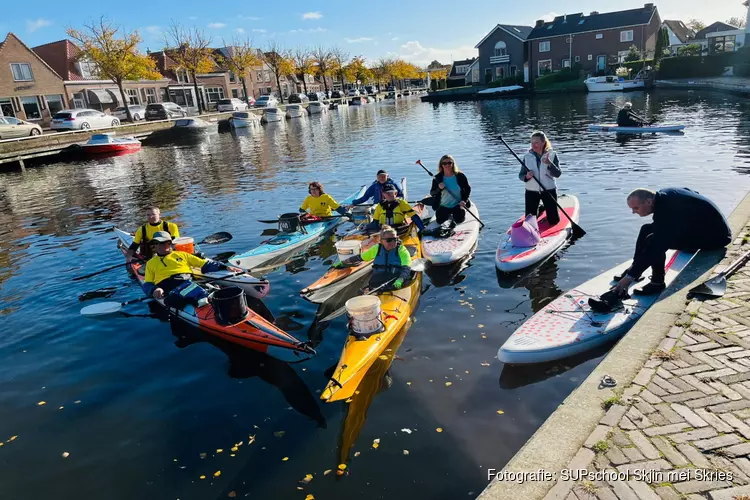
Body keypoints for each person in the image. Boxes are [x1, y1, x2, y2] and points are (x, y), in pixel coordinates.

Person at [589, 187, 732, 312]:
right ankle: (635, 267)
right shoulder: (666, 193)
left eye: (636, 208)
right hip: (701, 228)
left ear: (649, 202)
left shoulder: (667, 211)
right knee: (646, 229)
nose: (633, 212)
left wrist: (628, 279)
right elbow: (692, 192)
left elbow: (658, 246)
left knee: (654, 241)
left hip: (716, 238)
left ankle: (657, 282)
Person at [141, 231, 243, 308]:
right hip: (168, 286)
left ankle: (201, 295)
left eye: (166, 242)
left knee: (193, 288)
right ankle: (202, 294)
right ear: (155, 245)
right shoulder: (151, 263)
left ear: (170, 243)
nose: (162, 245)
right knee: (180, 297)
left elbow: (205, 264)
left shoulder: (182, 255)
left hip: (186, 281)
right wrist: (154, 289)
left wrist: (225, 267)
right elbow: (147, 283)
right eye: (158, 243)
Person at [333, 225, 412, 290]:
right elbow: (360, 257)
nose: (393, 242)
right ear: (381, 241)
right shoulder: (377, 248)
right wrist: (343, 262)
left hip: (396, 281)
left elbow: (406, 268)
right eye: (389, 240)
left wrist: (400, 280)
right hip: (378, 281)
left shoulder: (401, 250)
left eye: (395, 239)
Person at [519, 131, 562, 226]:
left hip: (548, 190)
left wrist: (550, 164)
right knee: (530, 222)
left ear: (543, 142)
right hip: (531, 191)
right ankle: (540, 209)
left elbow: (558, 174)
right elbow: (521, 175)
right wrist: (527, 177)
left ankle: (544, 209)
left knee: (554, 221)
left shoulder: (552, 155)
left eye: (536, 142)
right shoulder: (527, 156)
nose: (534, 145)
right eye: (532, 142)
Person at [418, 154, 472, 228]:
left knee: (459, 220)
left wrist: (464, 200)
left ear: (453, 164)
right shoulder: (437, 178)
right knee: (440, 221)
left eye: (449, 163)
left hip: (458, 204)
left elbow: (467, 189)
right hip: (443, 205)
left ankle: (458, 214)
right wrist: (439, 188)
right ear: (441, 165)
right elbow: (432, 193)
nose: (447, 165)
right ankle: (449, 216)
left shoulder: (460, 176)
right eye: (444, 163)